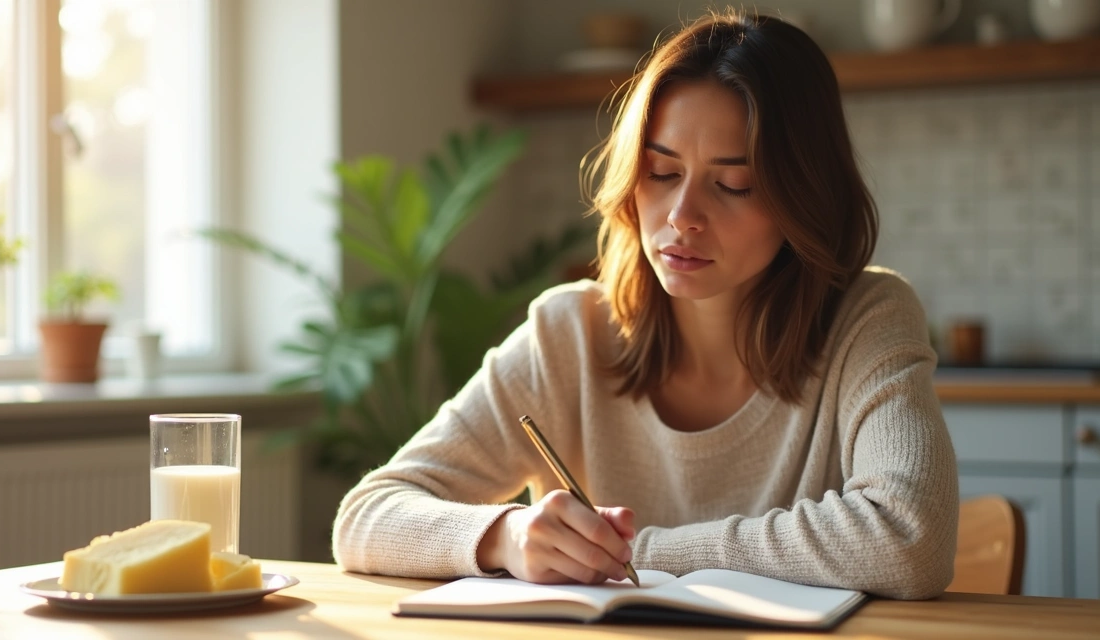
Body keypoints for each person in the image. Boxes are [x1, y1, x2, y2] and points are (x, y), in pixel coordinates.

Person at [332, 10, 959, 600]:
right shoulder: (568, 333)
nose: (683, 217)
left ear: (804, 199)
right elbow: (366, 516)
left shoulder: (868, 317)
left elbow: (909, 540)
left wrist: (638, 554)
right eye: (661, 173)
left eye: (733, 184)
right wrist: (508, 537)